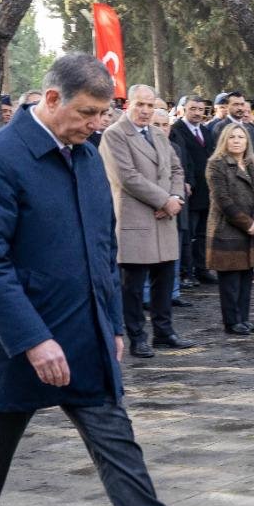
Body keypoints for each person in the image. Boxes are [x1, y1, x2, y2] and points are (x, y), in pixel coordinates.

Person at [0, 53, 228, 506]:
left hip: (83, 328)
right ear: (52, 99)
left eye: (102, 114)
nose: (97, 124)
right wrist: (32, 340)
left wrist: (114, 322)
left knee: (116, 439)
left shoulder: (87, 156)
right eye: (88, 113)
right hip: (13, 338)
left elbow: (101, 246)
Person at [102, 85, 193, 356]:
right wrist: (164, 201)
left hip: (165, 219)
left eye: (150, 105)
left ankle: (164, 332)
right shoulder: (114, 134)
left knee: (164, 280)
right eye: (140, 104)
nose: (145, 110)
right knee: (133, 285)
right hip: (136, 219)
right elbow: (127, 177)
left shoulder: (157, 134)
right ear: (128, 104)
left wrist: (175, 198)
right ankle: (137, 336)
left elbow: (176, 168)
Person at [205, 121, 254, 335]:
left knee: (246, 277)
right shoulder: (216, 164)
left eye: (241, 137)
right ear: (224, 140)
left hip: (253, 230)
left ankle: (244, 318)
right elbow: (223, 200)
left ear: (247, 142)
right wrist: (248, 224)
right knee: (230, 280)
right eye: (232, 137)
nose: (236, 141)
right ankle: (232, 322)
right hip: (228, 229)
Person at [170, 95, 215, 286]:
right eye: (193, 109)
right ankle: (186, 272)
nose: (197, 113)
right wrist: (187, 182)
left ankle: (202, 268)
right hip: (189, 190)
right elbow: (180, 160)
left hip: (207, 190)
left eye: (200, 109)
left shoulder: (205, 131)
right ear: (183, 110)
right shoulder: (176, 130)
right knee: (189, 233)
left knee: (204, 233)